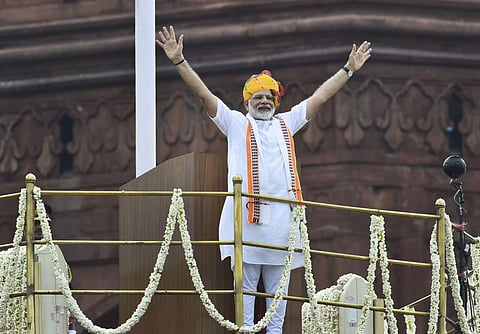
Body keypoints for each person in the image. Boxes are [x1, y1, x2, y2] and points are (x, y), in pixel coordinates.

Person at [156, 25, 372, 333]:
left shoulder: (286, 124)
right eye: (256, 98)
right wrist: (179, 61)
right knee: (244, 309)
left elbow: (320, 97)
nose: (264, 102)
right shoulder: (235, 124)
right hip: (247, 228)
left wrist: (348, 70)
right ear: (246, 103)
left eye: (268, 97)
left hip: (281, 230)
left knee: (277, 311)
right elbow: (203, 94)